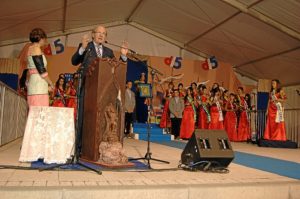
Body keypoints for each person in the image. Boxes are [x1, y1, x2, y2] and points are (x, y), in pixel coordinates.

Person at [71, 25, 128, 153]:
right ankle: (79, 149)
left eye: (104, 33)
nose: (101, 35)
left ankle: (97, 147)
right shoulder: (87, 47)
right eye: (99, 33)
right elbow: (74, 61)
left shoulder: (108, 51)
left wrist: (123, 57)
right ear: (93, 34)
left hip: (102, 92)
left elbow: (115, 68)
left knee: (101, 119)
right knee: (83, 118)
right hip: (87, 88)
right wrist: (82, 49)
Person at [26, 28, 54, 107]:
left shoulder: (30, 48)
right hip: (38, 87)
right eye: (44, 39)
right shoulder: (36, 49)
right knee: (40, 114)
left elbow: (32, 70)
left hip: (35, 86)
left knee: (35, 114)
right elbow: (42, 71)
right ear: (41, 38)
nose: (45, 41)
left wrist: (47, 87)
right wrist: (51, 84)